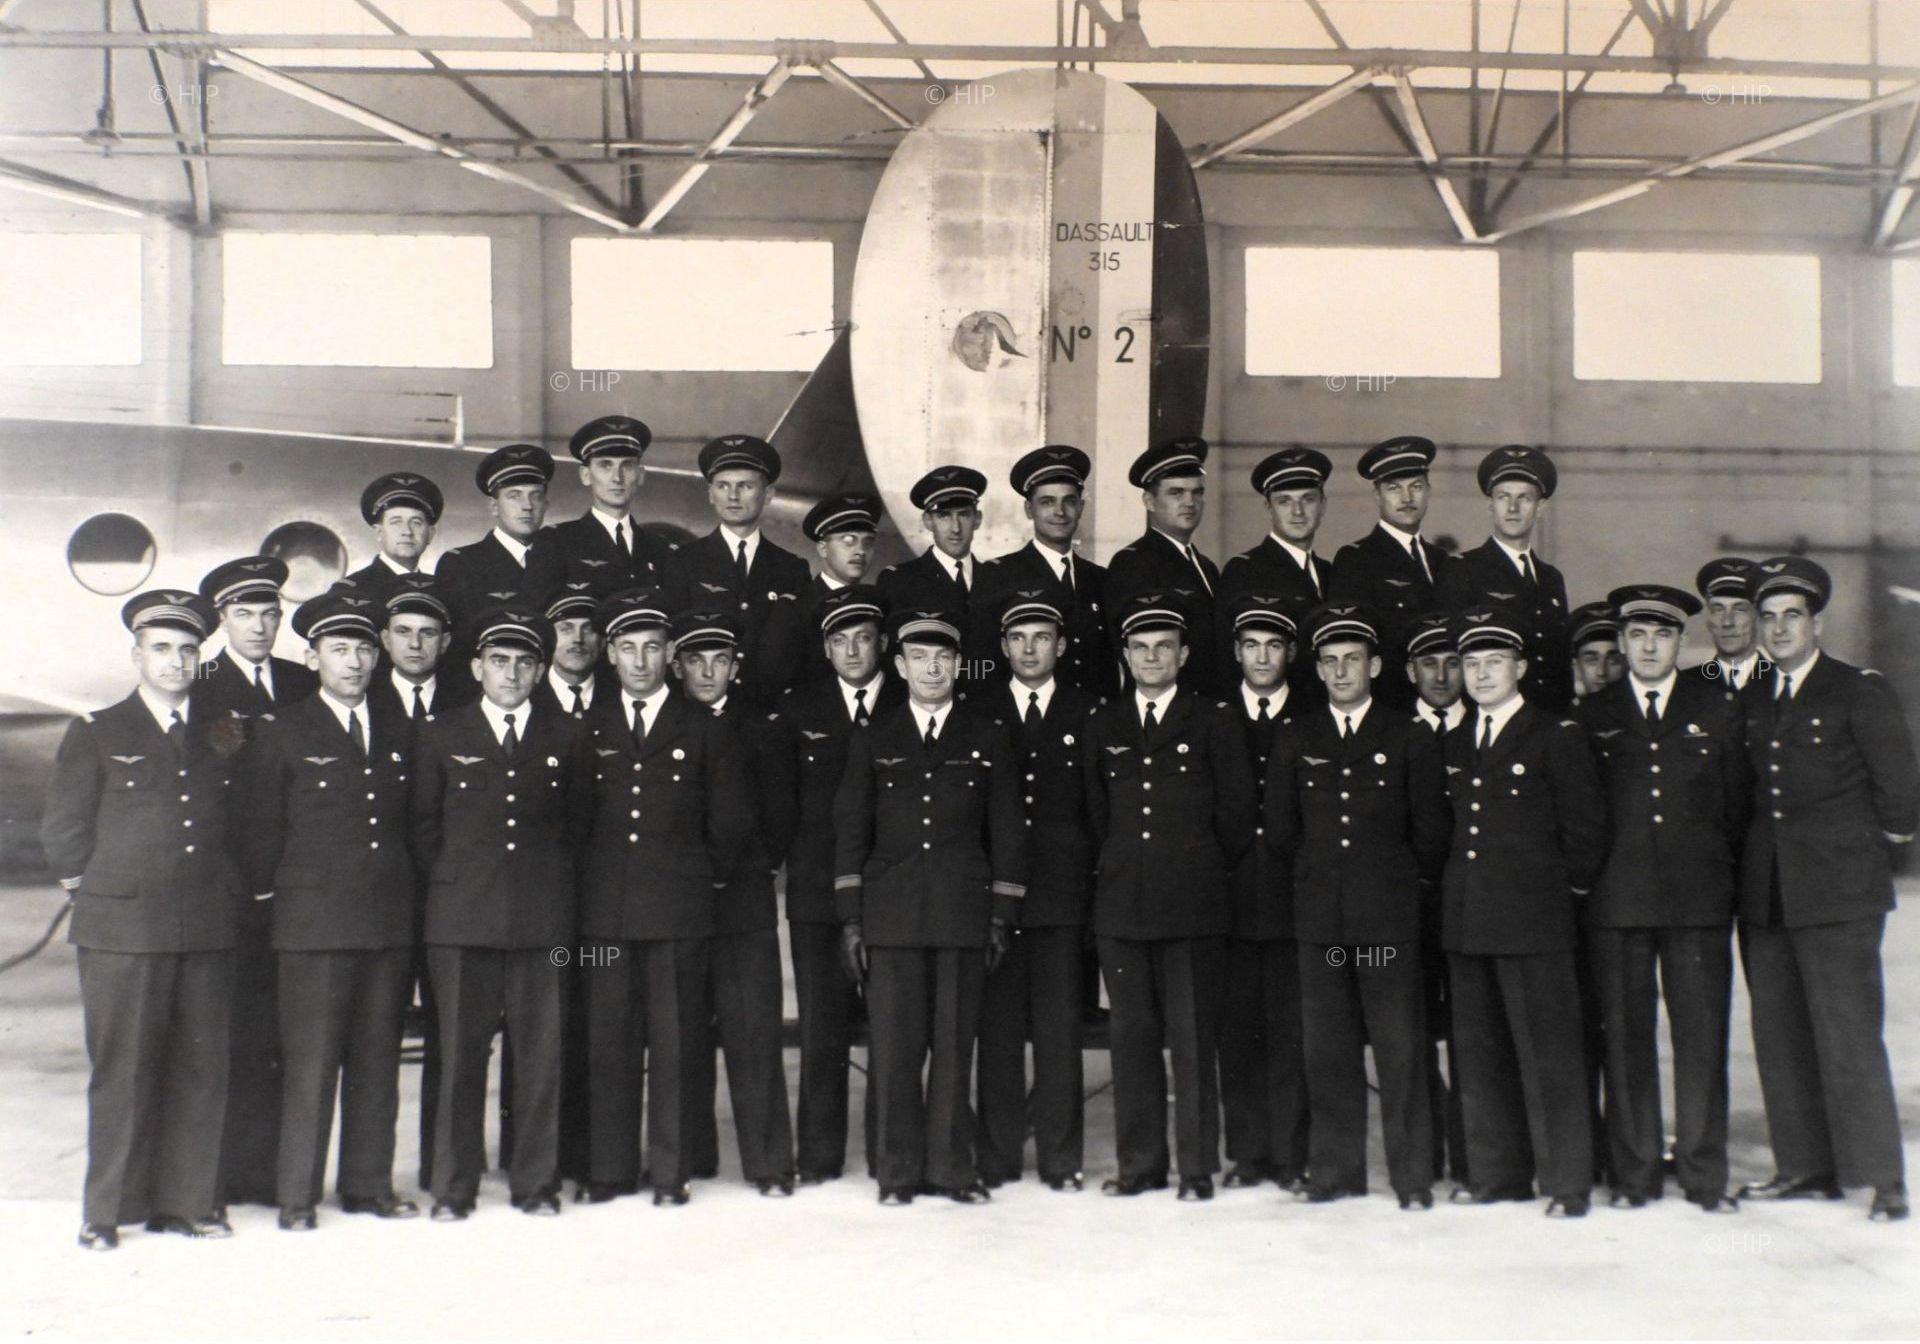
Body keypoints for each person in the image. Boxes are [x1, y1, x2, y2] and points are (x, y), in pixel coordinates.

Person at [42, 589, 240, 1249]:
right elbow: (65, 831)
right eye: (161, 648)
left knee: (201, 1070)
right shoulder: (98, 730)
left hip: (204, 926)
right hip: (122, 932)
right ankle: (105, 1213)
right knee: (123, 1072)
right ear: (137, 655)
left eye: (187, 650)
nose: (176, 661)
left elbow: (242, 822)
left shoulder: (224, 730)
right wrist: (97, 896)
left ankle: (189, 1204)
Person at [1735, 557, 1917, 1222]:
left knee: (1849, 1036)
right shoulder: (1753, 696)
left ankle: (1882, 1178)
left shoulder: (1857, 690)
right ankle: (1805, 1167)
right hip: (1769, 893)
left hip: (1840, 893)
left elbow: (1899, 792)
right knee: (1780, 1036)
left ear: (1818, 623)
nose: (1779, 629)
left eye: (1793, 616)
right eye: (1768, 617)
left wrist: (1861, 856)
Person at [235, 587, 420, 1231]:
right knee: (310, 1067)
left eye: (364, 649)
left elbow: (413, 828)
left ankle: (369, 1187)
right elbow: (261, 833)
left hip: (387, 926)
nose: (354, 661)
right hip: (312, 931)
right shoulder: (283, 731)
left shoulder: (399, 730)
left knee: (377, 1064)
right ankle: (297, 1196)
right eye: (339, 649)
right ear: (313, 658)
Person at [833, 607, 1028, 1205]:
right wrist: (852, 919)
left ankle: (950, 1170)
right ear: (900, 665)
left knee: (953, 1049)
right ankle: (896, 1174)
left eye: (943, 657)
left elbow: (1007, 833)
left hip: (962, 914)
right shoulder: (874, 737)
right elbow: (851, 830)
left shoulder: (988, 736)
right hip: (891, 916)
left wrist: (1001, 915)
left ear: (958, 666)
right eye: (919, 657)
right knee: (895, 1052)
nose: (932, 668)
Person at [408, 605, 589, 1220]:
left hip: (542, 921)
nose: (511, 673)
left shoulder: (566, 736)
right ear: (476, 667)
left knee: (540, 1059)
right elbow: (423, 829)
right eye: (499, 661)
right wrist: (461, 887)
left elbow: (578, 829)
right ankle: (453, 1188)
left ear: (539, 671)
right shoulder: (441, 733)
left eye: (523, 663)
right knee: (459, 1058)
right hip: (462, 919)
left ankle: (536, 1184)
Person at [1267, 601, 1449, 1209]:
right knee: (1328, 1051)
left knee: (1400, 1050)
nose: (1341, 671)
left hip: (1385, 926)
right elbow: (1282, 830)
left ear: (1374, 666)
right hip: (1323, 925)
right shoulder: (1297, 735)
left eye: (1352, 659)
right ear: (1318, 669)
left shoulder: (1408, 734)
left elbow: (1430, 833)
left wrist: (1388, 886)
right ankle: (1334, 1172)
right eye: (1330, 661)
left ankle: (1412, 1178)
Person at [578, 590, 754, 1207]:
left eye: (652, 648)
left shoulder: (702, 727)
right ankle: (609, 1169)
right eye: (627, 648)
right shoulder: (588, 727)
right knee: (610, 1041)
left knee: (678, 1043)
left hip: (680, 912)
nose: (639, 661)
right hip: (605, 916)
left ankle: (670, 1171)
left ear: (670, 654)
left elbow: (729, 822)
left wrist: (696, 881)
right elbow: (574, 822)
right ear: (610, 654)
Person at [1578, 584, 1749, 1213]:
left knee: (1701, 1041)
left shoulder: (1717, 708)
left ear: (1681, 641)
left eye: (1662, 635)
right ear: (1623, 642)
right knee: (1626, 1041)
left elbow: (1737, 806)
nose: (1649, 647)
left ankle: (1705, 1176)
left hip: (1697, 901)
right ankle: (1635, 1175)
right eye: (1637, 635)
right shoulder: (1592, 715)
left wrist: (1718, 880)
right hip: (1616, 901)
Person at [1083, 591, 1256, 1200]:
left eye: (1163, 648)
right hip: (1123, 907)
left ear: (1183, 655)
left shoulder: (1213, 720)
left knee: (1192, 1043)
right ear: (1126, 656)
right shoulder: (1104, 724)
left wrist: (1192, 866)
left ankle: (1197, 1170)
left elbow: (1236, 815)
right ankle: (1140, 1166)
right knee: (1131, 1043)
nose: (1151, 658)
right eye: (1140, 648)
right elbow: (1096, 815)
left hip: (1193, 906)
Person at [1440, 607, 1607, 1217]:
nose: (1482, 674)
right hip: (1469, 920)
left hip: (1535, 922)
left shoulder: (1554, 734)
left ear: (1521, 668)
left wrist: (1559, 899)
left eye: (1495, 662)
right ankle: (1497, 1174)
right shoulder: (1455, 740)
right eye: (1472, 664)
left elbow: (1585, 832)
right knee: (1480, 1055)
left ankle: (1567, 1183)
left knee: (1549, 1057)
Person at [193, 555, 316, 1211]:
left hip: (298, 886)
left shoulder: (303, 682)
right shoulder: (203, 687)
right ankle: (219, 1178)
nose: (260, 626)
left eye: (271, 613)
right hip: (234, 889)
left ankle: (269, 1175)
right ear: (223, 620)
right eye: (245, 614)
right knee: (229, 1036)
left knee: (284, 1035)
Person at [972, 592, 1100, 1192]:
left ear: (1062, 645)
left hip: (1059, 898)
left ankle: (1060, 1159)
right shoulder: (978, 708)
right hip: (994, 900)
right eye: (1018, 638)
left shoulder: (1088, 711)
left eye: (1042, 637)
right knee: (997, 1036)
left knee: (1058, 1036)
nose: (1029, 649)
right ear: (1003, 647)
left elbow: (1097, 811)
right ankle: (997, 1158)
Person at [672, 609, 799, 1196]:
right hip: (680, 904)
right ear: (678, 665)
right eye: (695, 660)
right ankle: (690, 1157)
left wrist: (750, 866)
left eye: (719, 660)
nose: (707, 672)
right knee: (682, 1033)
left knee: (754, 1032)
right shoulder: (663, 721)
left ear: (735, 666)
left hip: (744, 901)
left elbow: (780, 812)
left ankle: (770, 1164)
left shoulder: (763, 725)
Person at [780, 586, 901, 1183]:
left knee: (891, 1030)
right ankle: (819, 1157)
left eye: (863, 639)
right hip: (817, 894)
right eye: (840, 640)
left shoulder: (911, 699)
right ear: (825, 648)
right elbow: (781, 804)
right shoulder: (799, 709)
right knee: (821, 1029)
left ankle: (888, 1155)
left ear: (883, 643)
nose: (852, 651)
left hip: (893, 893)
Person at [1216, 592, 1310, 1193]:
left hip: (1293, 897)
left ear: (1290, 653)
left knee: (1291, 1033)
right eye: (1251, 646)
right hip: (1228, 899)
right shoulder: (1214, 716)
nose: (1262, 657)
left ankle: (1292, 1154)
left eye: (1273, 646)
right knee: (1238, 1033)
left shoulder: (1313, 716)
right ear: (1236, 653)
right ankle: (1248, 1153)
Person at [1403, 611, 1470, 1183]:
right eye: (1430, 663)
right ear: (1410, 671)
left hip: (1473, 907)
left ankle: (1474, 1155)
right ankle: (1426, 1154)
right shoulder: (1392, 731)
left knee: (1472, 1032)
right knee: (1413, 1033)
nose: (1443, 676)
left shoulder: (1485, 727)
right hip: (1409, 913)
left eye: (1453, 663)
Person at [971, 445, 1118, 698]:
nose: (1060, 512)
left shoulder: (1100, 579)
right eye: (1047, 502)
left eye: (1069, 501)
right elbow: (978, 661)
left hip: (1095, 716)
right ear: (1029, 509)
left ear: (1081, 507)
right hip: (1024, 715)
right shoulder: (997, 576)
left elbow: (1110, 661)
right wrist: (993, 712)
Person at [680, 435, 812, 710]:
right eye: (723, 486)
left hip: (767, 713)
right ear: (710, 494)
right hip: (698, 713)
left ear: (768, 494)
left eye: (745, 486)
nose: (733, 496)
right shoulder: (683, 562)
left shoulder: (792, 569)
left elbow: (799, 651)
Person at [1437, 446, 1573, 713]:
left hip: (1548, 717)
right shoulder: (1463, 569)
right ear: (1490, 505)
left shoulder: (1551, 578)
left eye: (1524, 498)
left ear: (1540, 508)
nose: (1513, 508)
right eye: (1503, 497)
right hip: (1490, 716)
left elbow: (1559, 659)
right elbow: (1452, 655)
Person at [1329, 435, 1446, 711]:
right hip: (1391, 710)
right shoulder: (1356, 559)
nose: (1407, 498)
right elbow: (1354, 649)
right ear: (1377, 495)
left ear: (1429, 490)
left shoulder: (1441, 560)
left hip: (1443, 705)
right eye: (1394, 488)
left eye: (1416, 486)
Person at [1106, 438, 1228, 697]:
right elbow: (1137, 653)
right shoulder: (1133, 563)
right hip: (1167, 708)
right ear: (1149, 501)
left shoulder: (1206, 566)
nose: (1190, 502)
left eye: (1197, 492)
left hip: (1208, 705)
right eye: (1176, 493)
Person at [1220, 447, 1333, 705]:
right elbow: (1229, 661)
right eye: (1284, 501)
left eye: (1308, 499)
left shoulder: (1329, 572)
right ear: (1268, 507)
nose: (1297, 511)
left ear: (1323, 505)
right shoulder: (1245, 570)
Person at [544, 415, 688, 608]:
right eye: (605, 465)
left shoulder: (662, 550)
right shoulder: (556, 543)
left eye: (627, 465)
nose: (617, 478)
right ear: (586, 475)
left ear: (640, 475)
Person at [877, 466, 995, 683]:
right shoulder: (899, 582)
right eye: (944, 516)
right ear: (928, 521)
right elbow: (890, 660)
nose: (956, 528)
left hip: (989, 698)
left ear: (977, 519)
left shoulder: (997, 578)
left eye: (964, 515)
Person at [434, 443, 564, 630]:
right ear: (494, 506)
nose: (527, 506)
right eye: (514, 496)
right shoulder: (461, 565)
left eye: (535, 496)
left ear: (545, 504)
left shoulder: (561, 559)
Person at [799, 493, 885, 684]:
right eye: (848, 541)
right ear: (823, 548)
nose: (860, 551)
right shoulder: (795, 609)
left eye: (868, 542)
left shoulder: (880, 605)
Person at [345, 473, 443, 607]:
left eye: (416, 522)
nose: (407, 531)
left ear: (431, 534)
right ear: (379, 532)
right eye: (396, 522)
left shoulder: (441, 591)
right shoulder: (351, 592)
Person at [1692, 558, 1772, 700]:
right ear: (1709, 621)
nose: (1727, 622)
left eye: (1740, 609)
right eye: (1718, 610)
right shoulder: (1685, 685)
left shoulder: (1782, 681)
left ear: (1758, 617)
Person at [1568, 602, 1625, 703]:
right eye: (1591, 660)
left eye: (1613, 660)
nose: (1601, 672)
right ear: (1576, 666)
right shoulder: (1564, 713)